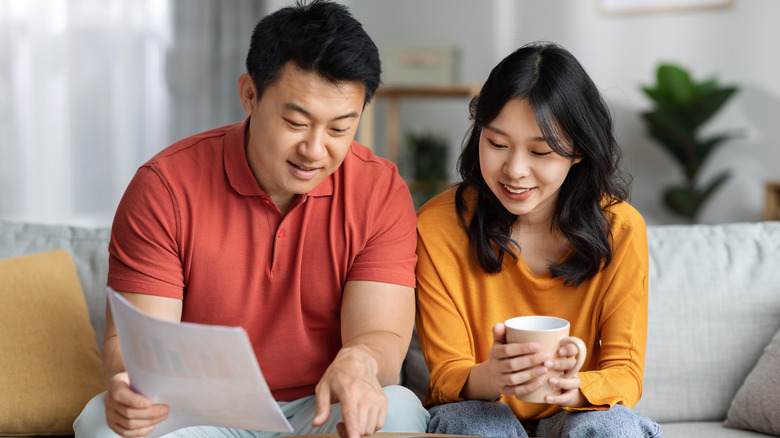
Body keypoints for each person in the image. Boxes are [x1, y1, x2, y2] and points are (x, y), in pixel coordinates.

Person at [73, 1, 430, 437]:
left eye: (339, 129)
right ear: (249, 94)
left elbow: (382, 338)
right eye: (296, 122)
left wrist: (361, 361)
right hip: (199, 412)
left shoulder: (379, 191)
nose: (315, 150)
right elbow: (135, 347)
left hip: (322, 407)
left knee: (396, 408)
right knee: (104, 424)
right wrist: (130, 389)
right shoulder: (164, 187)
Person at [414, 42, 663, 437]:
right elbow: (446, 376)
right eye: (496, 144)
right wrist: (492, 376)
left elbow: (625, 373)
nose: (514, 170)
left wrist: (573, 387)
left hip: (577, 414)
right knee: (474, 426)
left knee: (612, 428)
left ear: (578, 150)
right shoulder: (437, 227)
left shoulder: (622, 229)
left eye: (541, 151)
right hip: (481, 410)